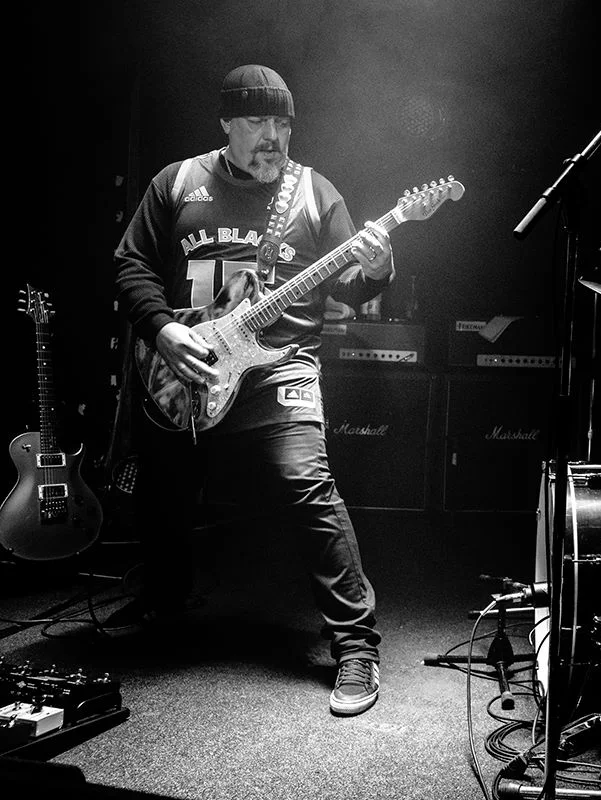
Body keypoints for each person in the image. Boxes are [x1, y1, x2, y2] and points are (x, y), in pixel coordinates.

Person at [111, 64, 392, 716]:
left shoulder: (313, 192)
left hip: (279, 367)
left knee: (305, 482)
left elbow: (352, 284)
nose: (273, 136)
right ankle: (163, 599)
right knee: (163, 488)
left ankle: (356, 645)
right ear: (226, 124)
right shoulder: (176, 182)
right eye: (258, 121)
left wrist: (377, 268)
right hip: (190, 364)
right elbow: (130, 265)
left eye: (282, 123)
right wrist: (162, 329)